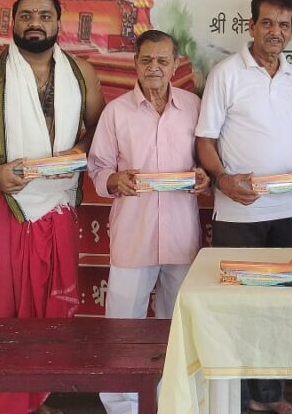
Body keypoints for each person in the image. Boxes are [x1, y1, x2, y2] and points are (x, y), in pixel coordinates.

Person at [0, 0, 104, 414]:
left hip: (56, 199)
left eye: (45, 15)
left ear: (58, 22)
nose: (35, 22)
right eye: (26, 15)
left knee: (47, 304)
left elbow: (98, 128)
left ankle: (34, 397)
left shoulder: (81, 73)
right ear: (12, 22)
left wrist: (79, 151)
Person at [196, 0, 292, 414]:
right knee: (236, 304)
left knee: (278, 304)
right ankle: (230, 396)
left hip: (286, 212)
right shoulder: (226, 73)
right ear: (251, 26)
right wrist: (222, 179)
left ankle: (269, 396)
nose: (275, 32)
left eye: (284, 25)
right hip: (238, 213)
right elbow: (205, 140)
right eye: (267, 22)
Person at [88, 29, 209, 414]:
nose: (154, 68)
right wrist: (114, 180)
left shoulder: (193, 107)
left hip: (180, 236)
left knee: (178, 326)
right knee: (123, 327)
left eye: (162, 61)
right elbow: (98, 167)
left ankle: (173, 403)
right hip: (133, 234)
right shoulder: (116, 112)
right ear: (135, 64)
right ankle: (121, 406)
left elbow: (205, 161)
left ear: (175, 65)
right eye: (146, 60)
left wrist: (203, 177)